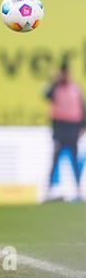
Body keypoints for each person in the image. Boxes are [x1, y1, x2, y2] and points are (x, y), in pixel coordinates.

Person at [45, 62, 85, 202]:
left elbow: (82, 108)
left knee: (74, 161)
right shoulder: (56, 88)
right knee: (55, 160)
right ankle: (49, 191)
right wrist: (54, 81)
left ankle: (78, 190)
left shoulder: (75, 89)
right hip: (60, 129)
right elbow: (46, 94)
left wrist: (83, 127)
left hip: (72, 130)